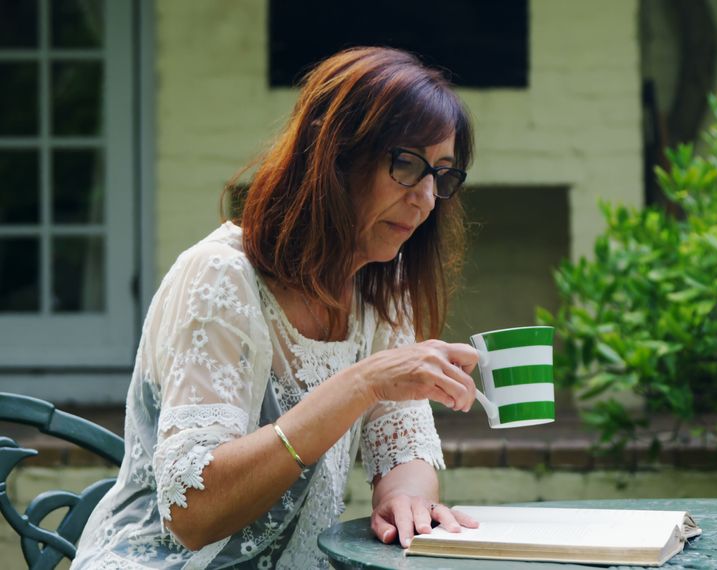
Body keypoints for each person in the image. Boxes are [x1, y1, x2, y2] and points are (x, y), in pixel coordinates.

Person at [73, 47, 482, 568]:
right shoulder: (221, 277)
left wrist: (405, 499)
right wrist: (361, 383)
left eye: (442, 175)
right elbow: (192, 512)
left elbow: (403, 446)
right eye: (406, 163)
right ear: (333, 155)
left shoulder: (381, 290)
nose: (426, 198)